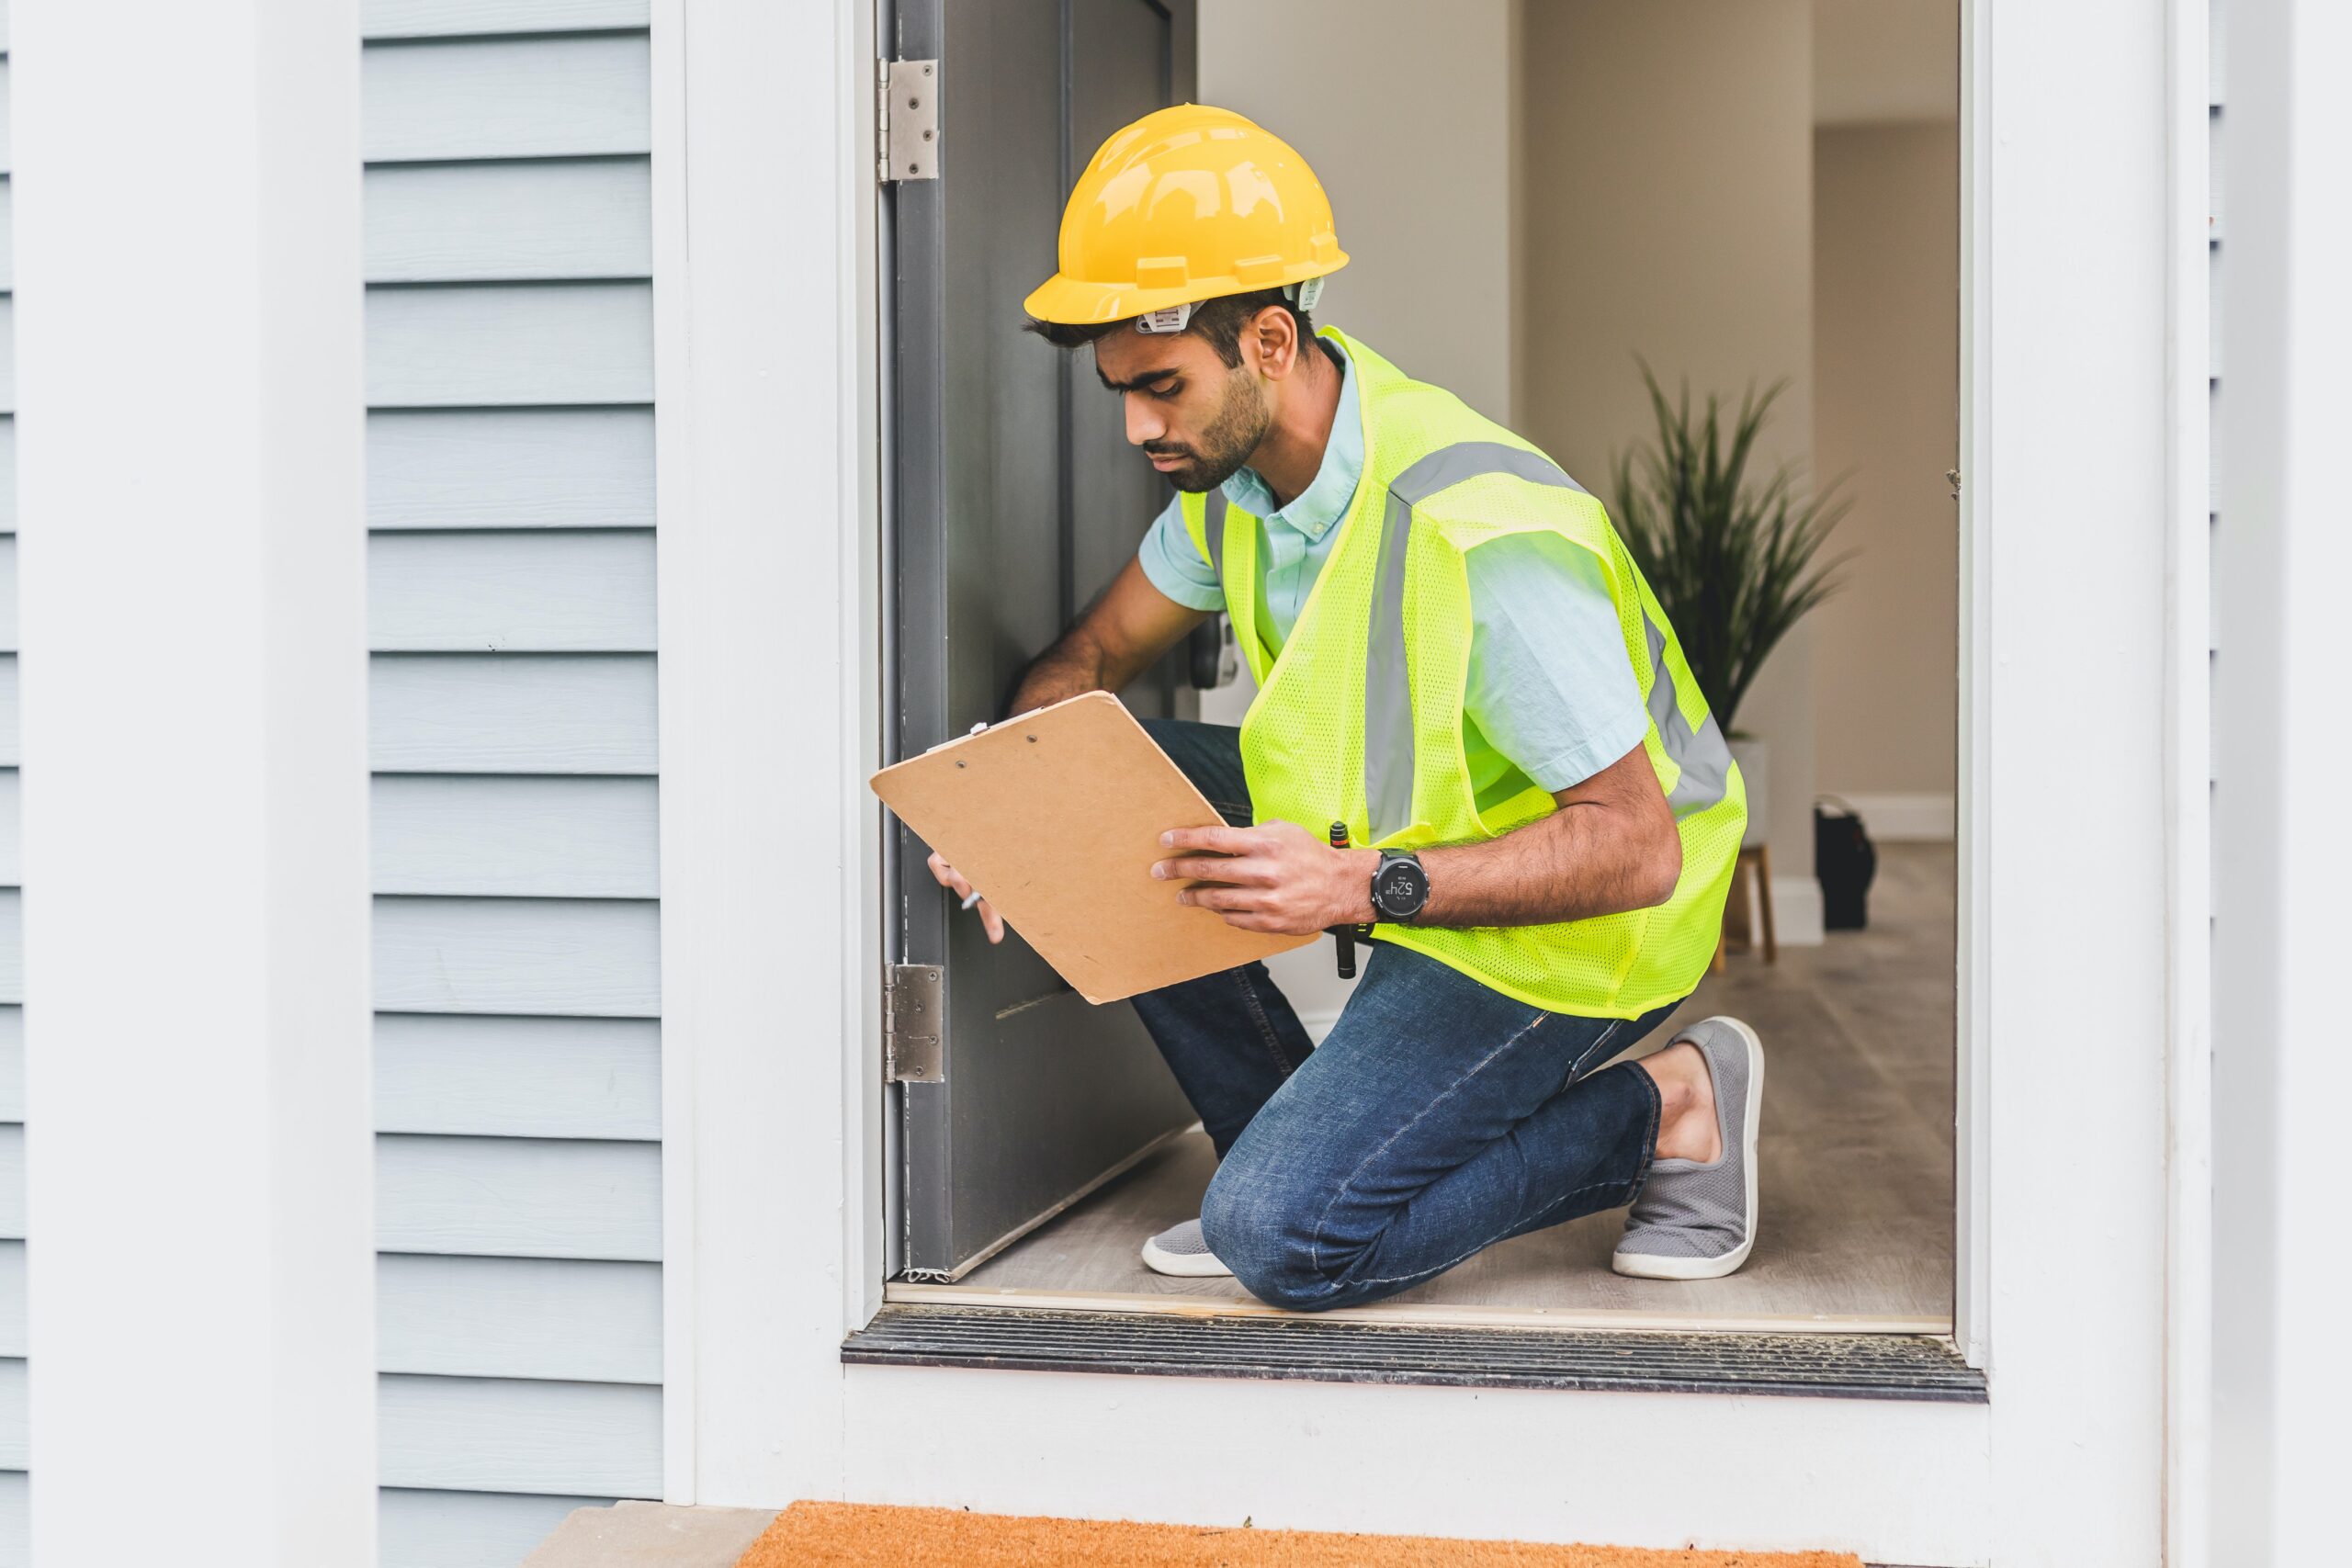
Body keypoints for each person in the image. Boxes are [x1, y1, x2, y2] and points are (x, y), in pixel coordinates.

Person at [927, 105, 1758, 1312]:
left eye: (1161, 388)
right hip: (1417, 865)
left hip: (1582, 932)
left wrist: (1365, 887)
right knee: (1105, 789)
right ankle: (1290, 1146)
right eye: (1121, 391)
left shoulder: (1477, 536)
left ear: (1268, 342)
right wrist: (1023, 803)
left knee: (1287, 1240)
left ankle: (1677, 1103)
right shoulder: (1236, 486)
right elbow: (1092, 650)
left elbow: (1637, 847)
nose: (1136, 428)